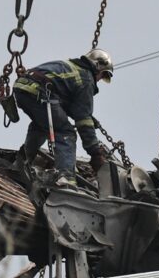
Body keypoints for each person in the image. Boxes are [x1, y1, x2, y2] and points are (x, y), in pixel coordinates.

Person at [12, 49, 113, 186]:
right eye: (102, 74)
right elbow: (84, 121)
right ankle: (66, 179)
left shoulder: (72, 67)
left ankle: (19, 164)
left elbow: (66, 102)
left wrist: (85, 116)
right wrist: (95, 153)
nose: (100, 79)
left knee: (41, 126)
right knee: (66, 133)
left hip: (23, 88)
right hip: (41, 92)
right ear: (97, 66)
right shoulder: (86, 78)